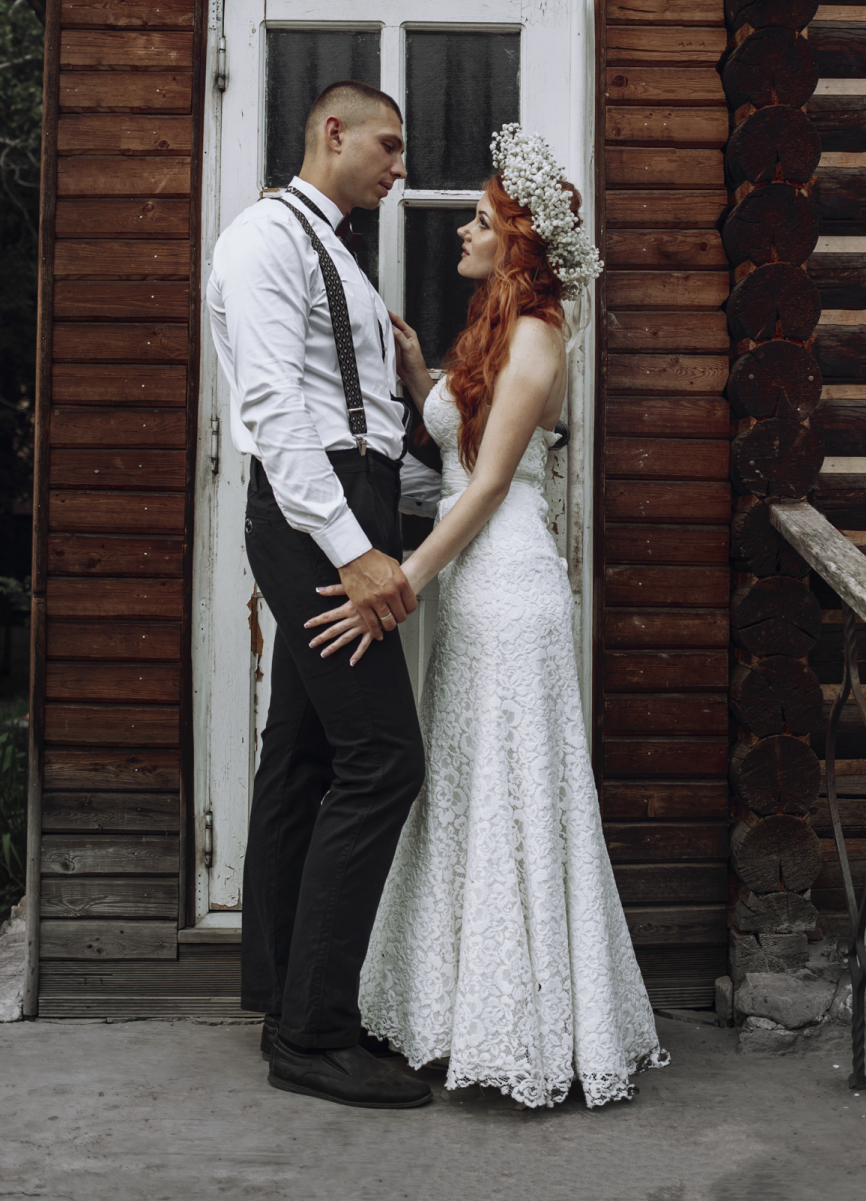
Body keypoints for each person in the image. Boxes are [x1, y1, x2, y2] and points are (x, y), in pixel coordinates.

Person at [306, 124, 670, 1109]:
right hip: (474, 590)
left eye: (478, 218)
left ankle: (529, 1034)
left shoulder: (542, 334)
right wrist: (418, 377)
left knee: (511, 794)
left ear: (518, 239)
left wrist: (400, 583)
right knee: (465, 791)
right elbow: (467, 445)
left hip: (508, 589)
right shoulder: (494, 329)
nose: (462, 230)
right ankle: (452, 1018)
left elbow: (488, 485)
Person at [206, 80, 437, 1110]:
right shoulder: (264, 237)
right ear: (332, 133)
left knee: (300, 757)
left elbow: (364, 426)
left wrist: (443, 492)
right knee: (383, 759)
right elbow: (272, 408)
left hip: (350, 499)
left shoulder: (338, 254)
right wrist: (350, 549)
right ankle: (315, 1035)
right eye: (388, 145)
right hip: (311, 518)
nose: (400, 166)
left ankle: (287, 1003)